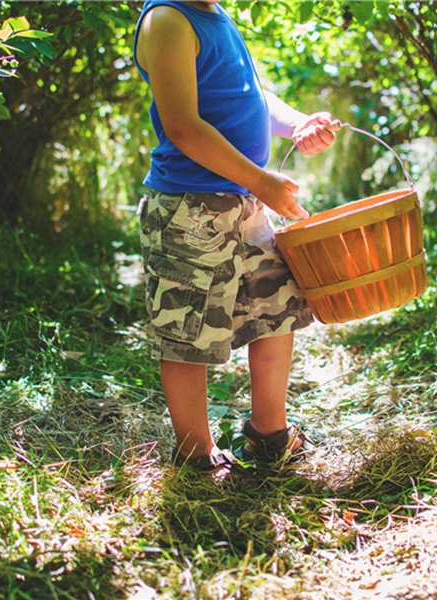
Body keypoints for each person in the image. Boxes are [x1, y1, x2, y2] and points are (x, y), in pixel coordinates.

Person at [133, 0, 336, 475]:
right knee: (187, 332)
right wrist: (263, 182)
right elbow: (184, 126)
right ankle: (196, 455)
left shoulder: (216, 15)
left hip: (245, 206)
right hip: (189, 210)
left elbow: (250, 98)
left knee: (278, 309)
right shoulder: (168, 20)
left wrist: (296, 123)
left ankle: (269, 434)